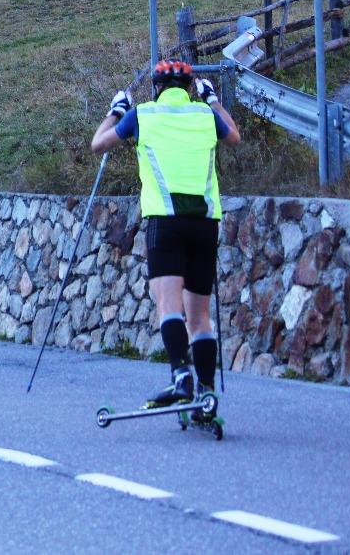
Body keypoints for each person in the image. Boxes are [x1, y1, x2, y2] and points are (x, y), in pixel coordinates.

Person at [90, 60, 241, 415]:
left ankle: (181, 376)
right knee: (201, 317)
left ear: (156, 87)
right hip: (205, 223)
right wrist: (214, 100)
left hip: (166, 222)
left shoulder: (143, 115)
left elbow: (98, 145)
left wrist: (115, 112)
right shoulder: (205, 116)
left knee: (168, 304)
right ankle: (206, 396)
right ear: (190, 88)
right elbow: (234, 137)